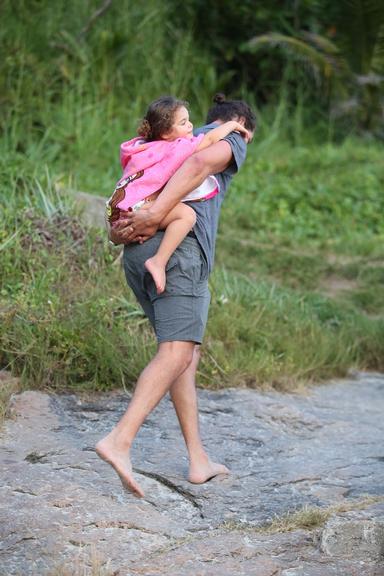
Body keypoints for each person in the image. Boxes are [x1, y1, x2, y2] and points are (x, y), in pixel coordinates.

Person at [96, 93, 256, 498]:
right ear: (241, 124)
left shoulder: (165, 143)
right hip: (177, 257)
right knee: (176, 352)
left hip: (139, 256)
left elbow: (127, 197)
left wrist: (129, 225)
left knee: (183, 355)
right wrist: (154, 214)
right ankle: (119, 440)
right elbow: (203, 162)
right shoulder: (229, 136)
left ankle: (197, 459)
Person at [107, 96, 249, 293]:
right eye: (183, 123)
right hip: (139, 208)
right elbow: (209, 140)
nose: (191, 126)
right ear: (165, 133)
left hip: (117, 208)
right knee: (187, 216)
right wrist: (233, 124)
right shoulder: (176, 147)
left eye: (189, 120)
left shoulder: (141, 147)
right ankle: (158, 261)